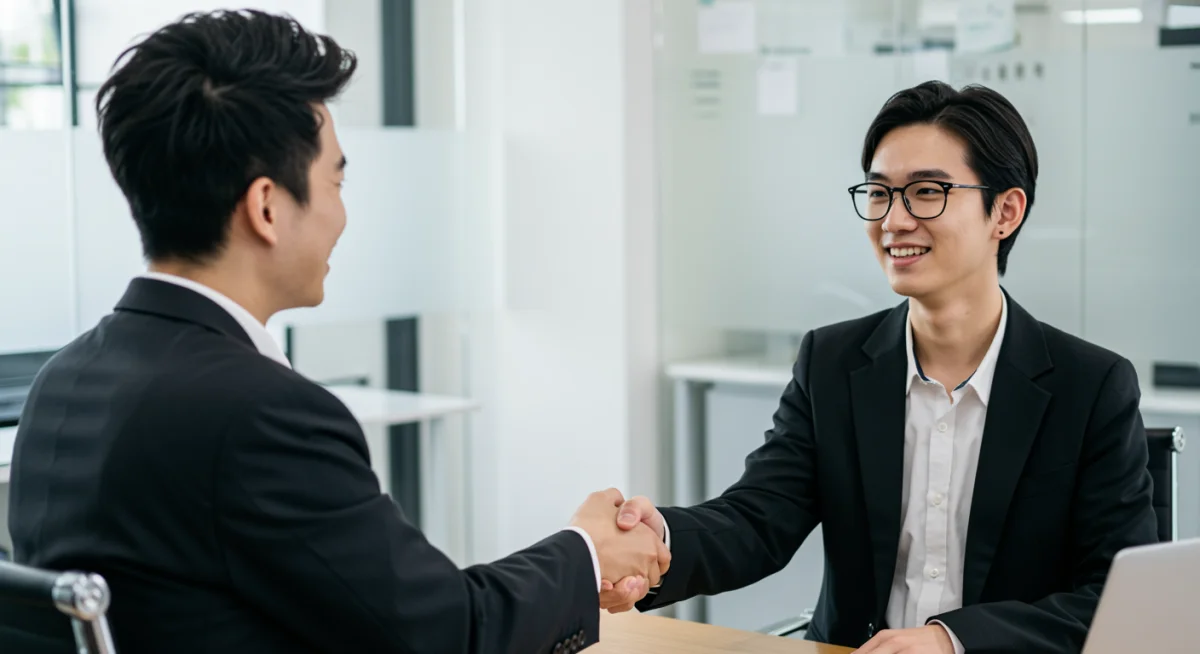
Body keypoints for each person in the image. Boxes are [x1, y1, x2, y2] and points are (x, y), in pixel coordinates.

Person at [6, 10, 667, 654]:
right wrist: (587, 552)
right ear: (267, 207)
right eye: (336, 179)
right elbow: (449, 636)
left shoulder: (62, 384)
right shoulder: (258, 415)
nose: (343, 213)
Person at [601, 82, 1158, 653]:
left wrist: (951, 642)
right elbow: (758, 519)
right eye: (879, 193)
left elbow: (1114, 599)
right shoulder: (832, 363)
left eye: (926, 192)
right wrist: (656, 540)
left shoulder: (1089, 388)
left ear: (1005, 212)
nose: (894, 220)